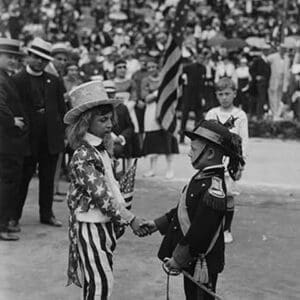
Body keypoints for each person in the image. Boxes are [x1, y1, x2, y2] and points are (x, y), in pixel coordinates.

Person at [140, 120, 245, 300]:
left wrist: (179, 258)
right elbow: (185, 209)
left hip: (200, 261)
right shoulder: (204, 176)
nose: (189, 153)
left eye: (194, 149)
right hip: (194, 259)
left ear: (210, 153)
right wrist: (157, 224)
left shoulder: (214, 188)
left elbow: (200, 231)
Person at [64, 80, 147, 299]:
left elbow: (112, 186)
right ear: (85, 123)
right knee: (101, 283)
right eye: (103, 120)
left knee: (98, 280)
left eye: (111, 119)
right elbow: (102, 196)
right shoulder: (83, 156)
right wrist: (131, 218)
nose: (110, 124)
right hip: (90, 224)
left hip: (105, 224)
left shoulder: (102, 149)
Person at [11, 37, 66, 229]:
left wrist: (62, 133)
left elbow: (61, 109)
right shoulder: (17, 80)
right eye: (36, 57)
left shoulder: (55, 81)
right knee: (23, 179)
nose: (40, 61)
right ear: (28, 56)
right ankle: (13, 217)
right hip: (27, 139)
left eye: (44, 59)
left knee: (48, 179)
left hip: (50, 139)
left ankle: (46, 214)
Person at [205, 77, 248, 244]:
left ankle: (226, 229)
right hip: (213, 159)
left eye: (227, 93)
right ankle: (211, 228)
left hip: (231, 161)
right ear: (216, 95)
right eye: (220, 94)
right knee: (211, 194)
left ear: (234, 94)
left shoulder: (239, 115)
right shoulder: (212, 113)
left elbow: (244, 139)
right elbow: (205, 138)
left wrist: (241, 163)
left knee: (229, 195)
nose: (224, 97)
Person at [0, 38, 28, 241]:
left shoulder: (5, 77)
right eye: (8, 56)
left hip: (8, 142)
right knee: (6, 184)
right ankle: (1, 226)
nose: (13, 61)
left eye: (15, 58)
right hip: (6, 141)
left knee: (8, 183)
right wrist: (12, 122)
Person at [141, 58, 178, 179]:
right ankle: (152, 169)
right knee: (153, 140)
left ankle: (170, 168)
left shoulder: (165, 79)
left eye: (154, 67)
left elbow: (173, 93)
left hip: (165, 110)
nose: (152, 69)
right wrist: (157, 93)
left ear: (158, 67)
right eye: (149, 67)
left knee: (167, 137)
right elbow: (145, 98)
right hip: (151, 110)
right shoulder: (145, 80)